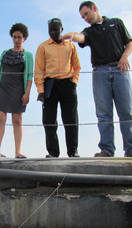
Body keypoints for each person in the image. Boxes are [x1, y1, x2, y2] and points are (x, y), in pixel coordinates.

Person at [62, 1, 132, 158]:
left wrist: (124, 57)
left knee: (126, 111)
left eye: (86, 14)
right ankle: (107, 150)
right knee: (103, 114)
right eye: (82, 17)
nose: (85, 18)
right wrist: (73, 35)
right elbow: (82, 37)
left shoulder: (116, 23)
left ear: (94, 9)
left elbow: (129, 43)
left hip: (120, 70)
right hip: (100, 72)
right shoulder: (89, 31)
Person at [34, 18, 81, 158]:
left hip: (68, 85)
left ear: (62, 29)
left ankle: (73, 152)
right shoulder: (43, 47)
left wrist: (74, 82)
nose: (53, 32)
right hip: (50, 85)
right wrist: (40, 91)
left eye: (56, 29)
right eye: (51, 30)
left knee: (71, 119)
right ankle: (53, 153)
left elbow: (77, 67)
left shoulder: (71, 46)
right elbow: (38, 71)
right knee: (49, 120)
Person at [0, 23, 33, 159]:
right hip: (3, 88)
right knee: (0, 118)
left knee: (17, 120)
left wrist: (27, 92)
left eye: (19, 37)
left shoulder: (28, 55)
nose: (16, 40)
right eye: (14, 37)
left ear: (24, 38)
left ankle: (17, 152)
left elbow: (29, 75)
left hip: (19, 89)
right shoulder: (5, 53)